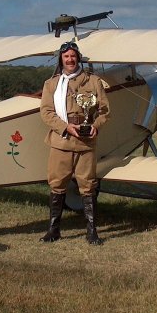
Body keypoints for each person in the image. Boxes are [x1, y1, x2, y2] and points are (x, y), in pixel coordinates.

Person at [39, 41, 110, 245]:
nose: (70, 60)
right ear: (61, 59)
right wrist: (65, 127)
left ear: (78, 57)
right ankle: (53, 229)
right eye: (66, 57)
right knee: (57, 185)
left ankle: (91, 231)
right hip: (61, 140)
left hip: (86, 142)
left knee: (88, 186)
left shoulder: (94, 81)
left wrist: (96, 125)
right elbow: (46, 112)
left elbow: (105, 111)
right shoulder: (51, 84)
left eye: (73, 56)